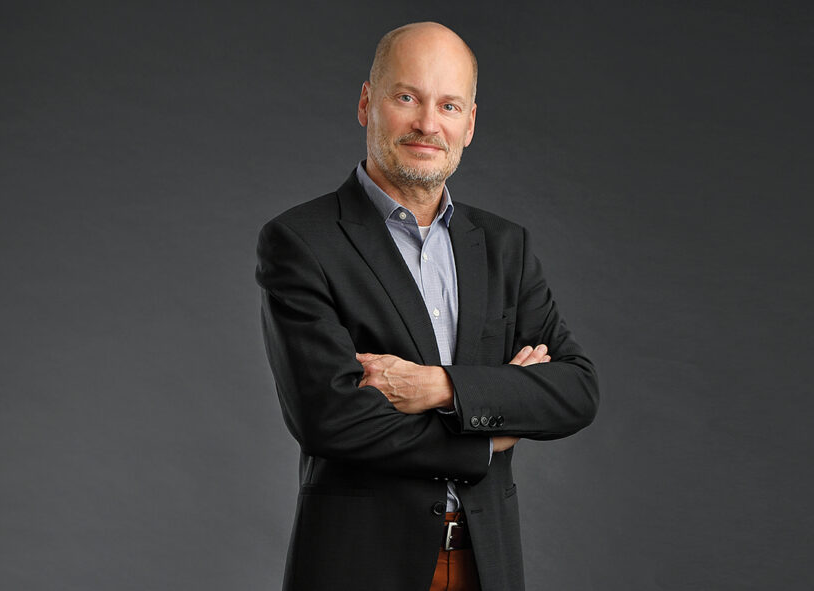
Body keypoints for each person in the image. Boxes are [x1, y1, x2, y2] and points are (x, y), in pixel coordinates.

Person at [256, 21, 598, 591]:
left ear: (470, 124)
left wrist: (440, 387)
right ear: (367, 103)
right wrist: (488, 434)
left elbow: (575, 391)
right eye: (407, 98)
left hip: (485, 566)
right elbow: (332, 421)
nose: (428, 124)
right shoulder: (301, 241)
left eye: (449, 105)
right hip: (360, 570)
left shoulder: (505, 247)